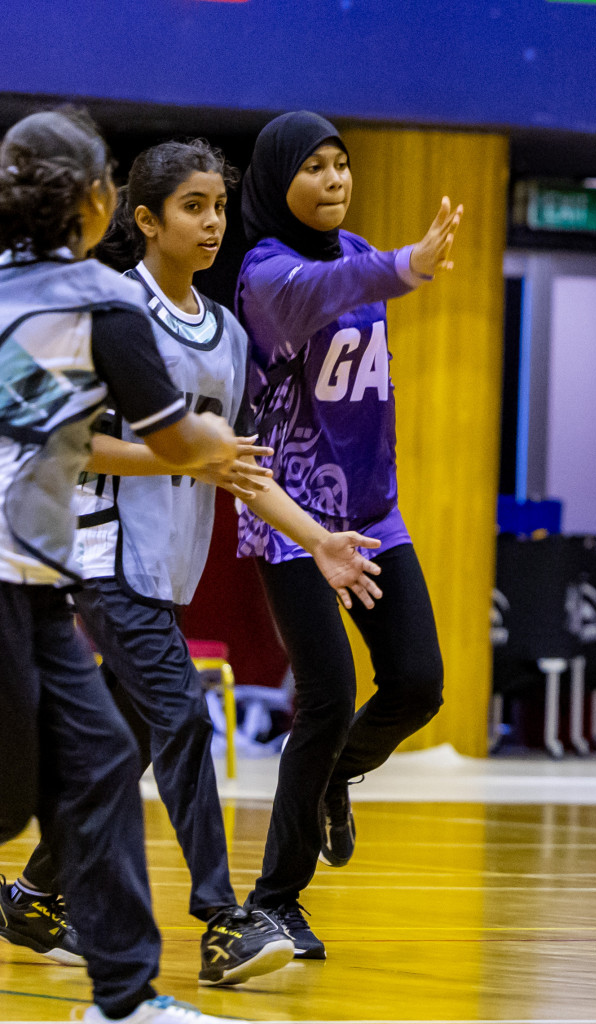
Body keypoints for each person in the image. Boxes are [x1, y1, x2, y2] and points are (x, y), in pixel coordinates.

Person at [0, 139, 385, 986]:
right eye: (192, 208)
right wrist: (181, 456)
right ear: (144, 219)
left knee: (114, 754)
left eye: (219, 206)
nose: (212, 223)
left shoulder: (229, 336)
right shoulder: (106, 310)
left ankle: (33, 895)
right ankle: (223, 922)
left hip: (166, 571)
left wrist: (316, 538)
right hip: (101, 559)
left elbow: (237, 465)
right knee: (183, 720)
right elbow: (75, 442)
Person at [0, 108, 246, 1024]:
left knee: (104, 762)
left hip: (35, 580)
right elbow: (178, 438)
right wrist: (213, 440)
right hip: (25, 575)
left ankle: (122, 998)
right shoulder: (106, 308)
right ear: (105, 203)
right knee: (29, 789)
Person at [235, 111, 460, 960]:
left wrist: (387, 265)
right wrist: (403, 266)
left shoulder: (356, 252)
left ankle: (333, 777)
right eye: (315, 168)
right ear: (277, 180)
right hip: (291, 515)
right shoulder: (264, 272)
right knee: (326, 695)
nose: (334, 181)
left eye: (342, 165)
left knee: (417, 684)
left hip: (371, 512)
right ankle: (276, 902)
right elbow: (321, 293)